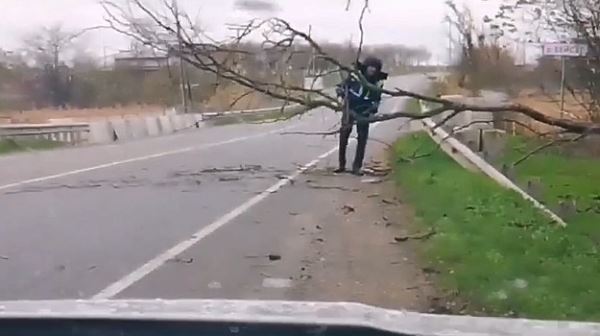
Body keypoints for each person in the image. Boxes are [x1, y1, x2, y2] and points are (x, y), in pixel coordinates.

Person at [334, 56, 388, 176]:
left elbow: (377, 98)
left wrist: (373, 108)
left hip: (364, 111)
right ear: (366, 67)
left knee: (362, 138)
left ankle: (357, 167)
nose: (372, 70)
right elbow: (342, 85)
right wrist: (340, 91)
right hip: (350, 108)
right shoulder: (355, 76)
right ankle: (341, 165)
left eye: (375, 68)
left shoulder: (378, 82)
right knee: (344, 135)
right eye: (370, 67)